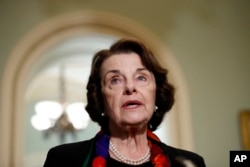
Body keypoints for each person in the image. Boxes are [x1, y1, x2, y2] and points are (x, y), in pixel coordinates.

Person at [44, 38, 206, 167]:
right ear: (101, 98)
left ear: (156, 92)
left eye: (141, 77)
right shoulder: (63, 160)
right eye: (115, 80)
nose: (130, 87)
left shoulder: (188, 163)